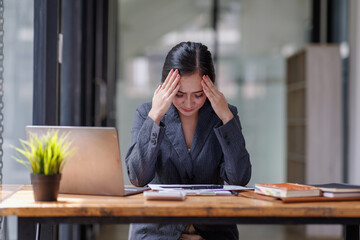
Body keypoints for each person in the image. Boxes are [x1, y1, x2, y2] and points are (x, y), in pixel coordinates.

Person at [125, 41, 251, 240]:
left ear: (210, 87)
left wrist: (227, 118)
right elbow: (138, 178)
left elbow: (240, 179)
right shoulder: (146, 114)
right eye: (179, 94)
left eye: (198, 95)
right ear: (166, 87)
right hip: (158, 233)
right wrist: (156, 116)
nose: (189, 103)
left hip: (213, 232)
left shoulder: (224, 115)